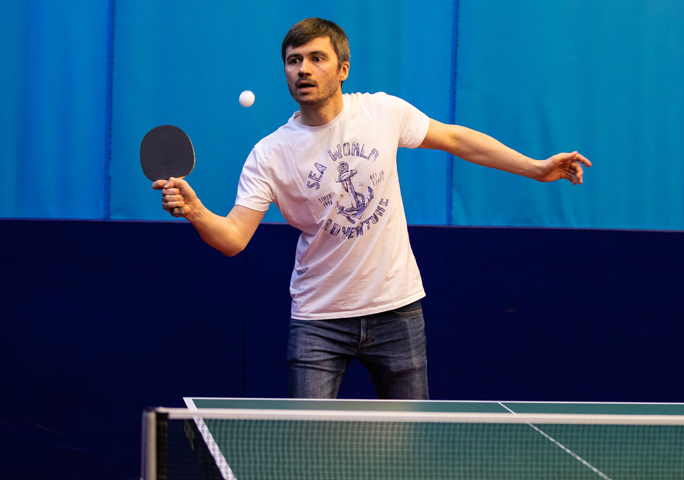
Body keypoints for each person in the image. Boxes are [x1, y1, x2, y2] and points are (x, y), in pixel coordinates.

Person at [152, 18, 591, 400]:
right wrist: (195, 210)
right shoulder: (269, 154)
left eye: (316, 58)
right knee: (306, 448)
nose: (303, 69)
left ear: (343, 68)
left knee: (406, 448)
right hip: (318, 320)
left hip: (397, 310)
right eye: (293, 60)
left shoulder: (382, 112)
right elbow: (233, 238)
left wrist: (535, 168)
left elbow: (457, 139)